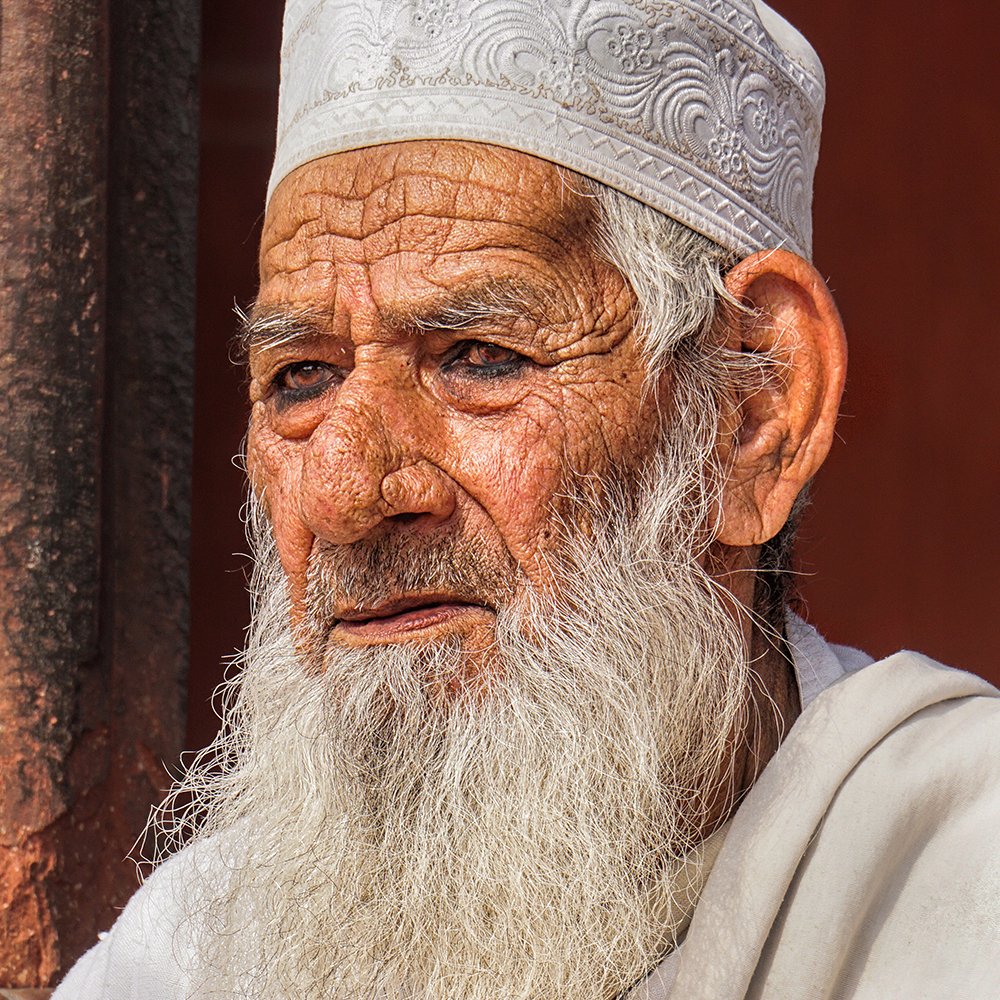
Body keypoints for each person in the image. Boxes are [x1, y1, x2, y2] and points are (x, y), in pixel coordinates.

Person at [54, 1, 1000, 997]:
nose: (343, 495)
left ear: (749, 410)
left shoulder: (962, 888)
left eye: (478, 357)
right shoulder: (195, 953)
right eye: (302, 377)